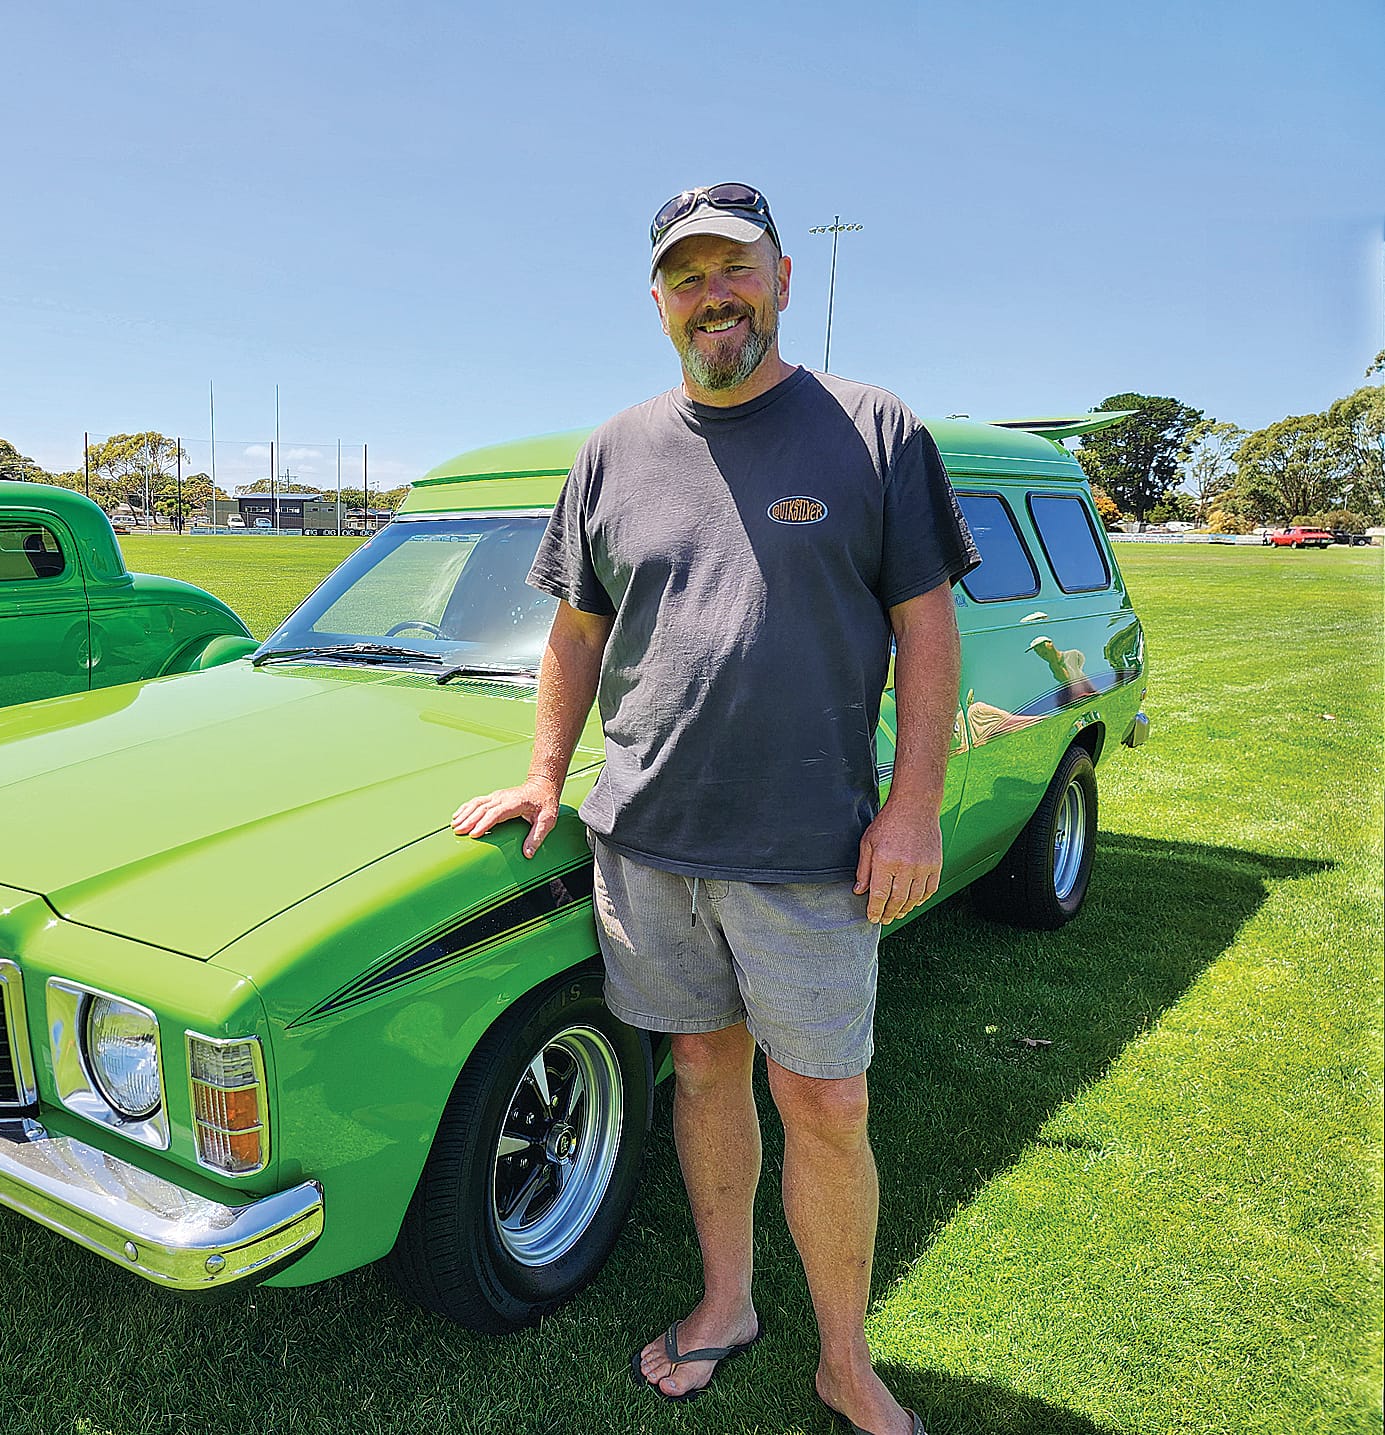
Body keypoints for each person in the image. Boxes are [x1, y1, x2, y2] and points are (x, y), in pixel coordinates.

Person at [451, 183, 977, 1435]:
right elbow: (575, 632)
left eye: (732, 269)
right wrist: (542, 773)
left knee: (826, 1103)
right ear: (656, 299)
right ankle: (727, 1301)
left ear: (783, 277)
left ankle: (843, 1359)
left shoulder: (870, 427)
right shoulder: (613, 448)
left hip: (808, 848)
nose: (712, 296)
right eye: (685, 277)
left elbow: (925, 627)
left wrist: (912, 810)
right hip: (648, 840)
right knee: (699, 1069)